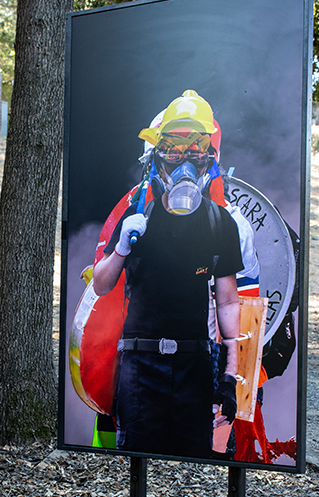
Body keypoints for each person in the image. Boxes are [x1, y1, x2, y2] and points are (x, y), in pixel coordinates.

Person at [92, 90, 243, 458]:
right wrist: (124, 246)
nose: (184, 164)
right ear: (158, 158)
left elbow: (227, 301)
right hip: (140, 367)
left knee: (192, 466)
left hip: (194, 365)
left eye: (194, 153)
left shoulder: (219, 221)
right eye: (175, 153)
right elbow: (101, 283)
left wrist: (229, 375)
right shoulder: (136, 213)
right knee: (138, 466)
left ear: (208, 158)